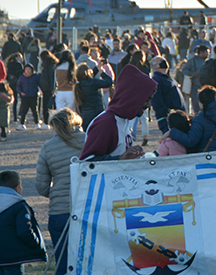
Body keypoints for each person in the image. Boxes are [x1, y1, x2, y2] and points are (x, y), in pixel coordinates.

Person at [35, 109, 85, 275]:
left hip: (58, 212)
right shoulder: (89, 141)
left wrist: (56, 193)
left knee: (63, 264)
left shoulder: (47, 148)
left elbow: (41, 187)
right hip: (87, 209)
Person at [80, 64, 156, 161]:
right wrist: (120, 158)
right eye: (146, 100)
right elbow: (86, 163)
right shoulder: (106, 123)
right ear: (133, 97)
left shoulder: (123, 119)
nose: (149, 105)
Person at [0, 171, 47, 274]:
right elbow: (24, 231)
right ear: (18, 188)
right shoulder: (19, 206)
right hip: (13, 258)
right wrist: (36, 245)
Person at [167, 86, 216, 153]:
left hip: (206, 159)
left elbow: (191, 141)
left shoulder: (200, 119)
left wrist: (172, 132)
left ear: (202, 103)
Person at [150, 56, 186, 133]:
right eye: (161, 61)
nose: (165, 62)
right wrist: (167, 113)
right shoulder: (156, 79)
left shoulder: (167, 78)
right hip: (170, 120)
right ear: (155, 66)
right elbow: (156, 100)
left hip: (179, 117)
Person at [74, 64, 114, 130]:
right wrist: (102, 73)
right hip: (97, 113)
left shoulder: (78, 86)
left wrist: (96, 68)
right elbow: (109, 82)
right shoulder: (94, 82)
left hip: (85, 115)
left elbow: (88, 79)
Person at [179, 45, 208, 115]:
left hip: (205, 86)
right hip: (195, 86)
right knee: (196, 106)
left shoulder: (207, 61)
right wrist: (192, 74)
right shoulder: (192, 61)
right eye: (206, 52)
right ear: (201, 53)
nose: (208, 54)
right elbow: (184, 70)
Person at [15, 64, 42, 130]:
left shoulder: (36, 76)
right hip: (25, 96)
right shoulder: (22, 77)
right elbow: (18, 86)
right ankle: (22, 124)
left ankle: (37, 123)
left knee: (35, 110)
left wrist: (40, 92)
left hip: (34, 96)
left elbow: (40, 84)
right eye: (26, 69)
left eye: (29, 69)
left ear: (32, 70)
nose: (28, 71)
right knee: (23, 111)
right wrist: (20, 92)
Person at [39, 50, 59, 126]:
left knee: (46, 105)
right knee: (50, 105)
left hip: (47, 88)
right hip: (49, 87)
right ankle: (49, 121)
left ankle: (47, 122)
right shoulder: (52, 64)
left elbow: (52, 78)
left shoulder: (47, 65)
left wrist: (53, 88)